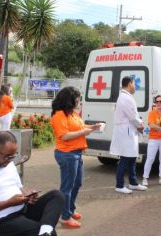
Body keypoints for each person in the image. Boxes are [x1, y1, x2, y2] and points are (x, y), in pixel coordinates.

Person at [0, 131, 64, 236]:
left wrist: (27, 195)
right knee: (42, 231)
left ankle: (45, 231)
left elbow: (18, 186)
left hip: (21, 211)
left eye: (13, 156)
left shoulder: (7, 161)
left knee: (56, 196)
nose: (10, 160)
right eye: (7, 156)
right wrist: (8, 203)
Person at [50, 86, 100, 228]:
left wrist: (93, 127)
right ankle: (65, 217)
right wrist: (85, 131)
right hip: (67, 154)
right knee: (67, 187)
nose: (78, 100)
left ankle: (69, 210)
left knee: (77, 184)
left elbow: (80, 127)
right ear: (69, 99)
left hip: (76, 153)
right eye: (77, 98)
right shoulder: (59, 115)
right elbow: (65, 136)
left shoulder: (72, 114)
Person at [110, 76, 147, 194]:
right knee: (125, 159)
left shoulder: (125, 97)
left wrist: (138, 124)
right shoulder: (126, 98)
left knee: (131, 158)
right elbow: (132, 116)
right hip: (127, 132)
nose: (135, 86)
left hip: (129, 131)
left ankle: (133, 183)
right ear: (130, 84)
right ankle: (119, 185)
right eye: (134, 84)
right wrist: (140, 124)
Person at [142, 95, 161, 187]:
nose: (158, 103)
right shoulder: (152, 113)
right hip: (153, 139)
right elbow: (151, 125)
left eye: (160, 101)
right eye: (157, 102)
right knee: (150, 159)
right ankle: (145, 178)